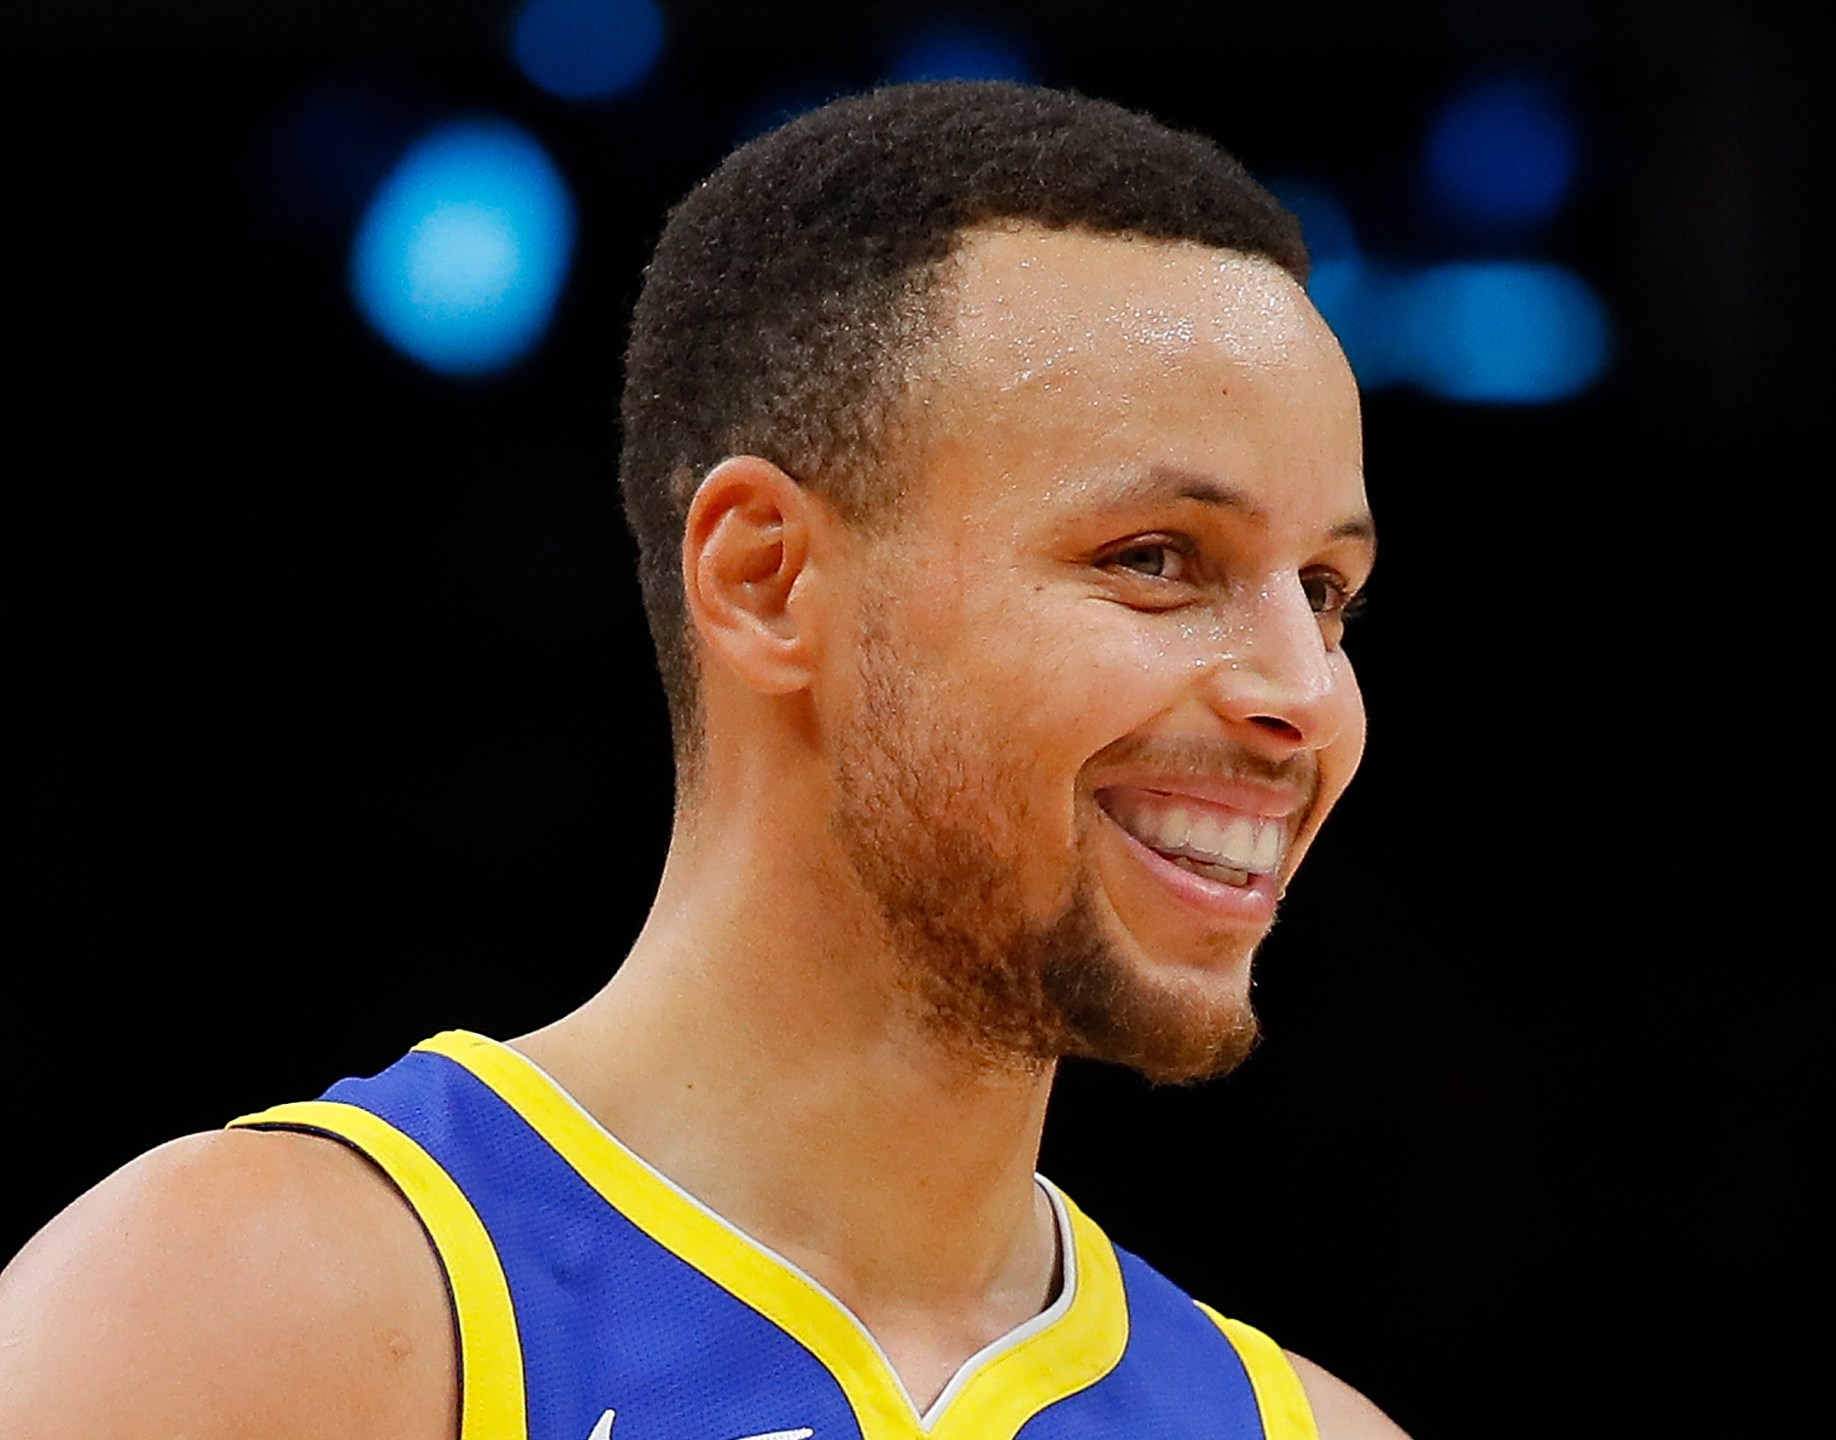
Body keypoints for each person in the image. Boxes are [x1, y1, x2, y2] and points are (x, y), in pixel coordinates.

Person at [0, 82, 1404, 1440]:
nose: (1305, 694)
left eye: (1329, 592)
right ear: (766, 580)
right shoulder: (248, 1317)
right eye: (1155, 559)